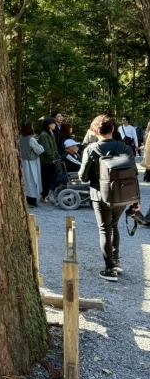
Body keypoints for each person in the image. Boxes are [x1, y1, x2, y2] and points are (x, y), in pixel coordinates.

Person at [80, 114, 135, 281]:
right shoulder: (125, 148)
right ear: (112, 129)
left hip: (100, 195)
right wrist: (135, 201)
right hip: (122, 196)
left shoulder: (91, 149)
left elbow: (83, 177)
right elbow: (133, 174)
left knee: (105, 229)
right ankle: (116, 261)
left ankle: (110, 269)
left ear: (95, 131)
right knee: (114, 225)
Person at [19, 122, 44, 207]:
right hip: (31, 162)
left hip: (23, 161)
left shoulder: (21, 138)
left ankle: (27, 198)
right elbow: (39, 150)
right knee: (33, 180)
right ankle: (31, 200)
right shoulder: (31, 139)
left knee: (26, 181)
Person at [38, 117, 59, 202]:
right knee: (46, 179)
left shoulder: (51, 133)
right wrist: (52, 158)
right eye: (53, 123)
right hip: (46, 161)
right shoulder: (44, 135)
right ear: (49, 125)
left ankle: (46, 195)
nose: (55, 125)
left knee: (49, 179)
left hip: (51, 160)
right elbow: (46, 149)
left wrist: (57, 156)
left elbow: (54, 147)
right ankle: (44, 196)